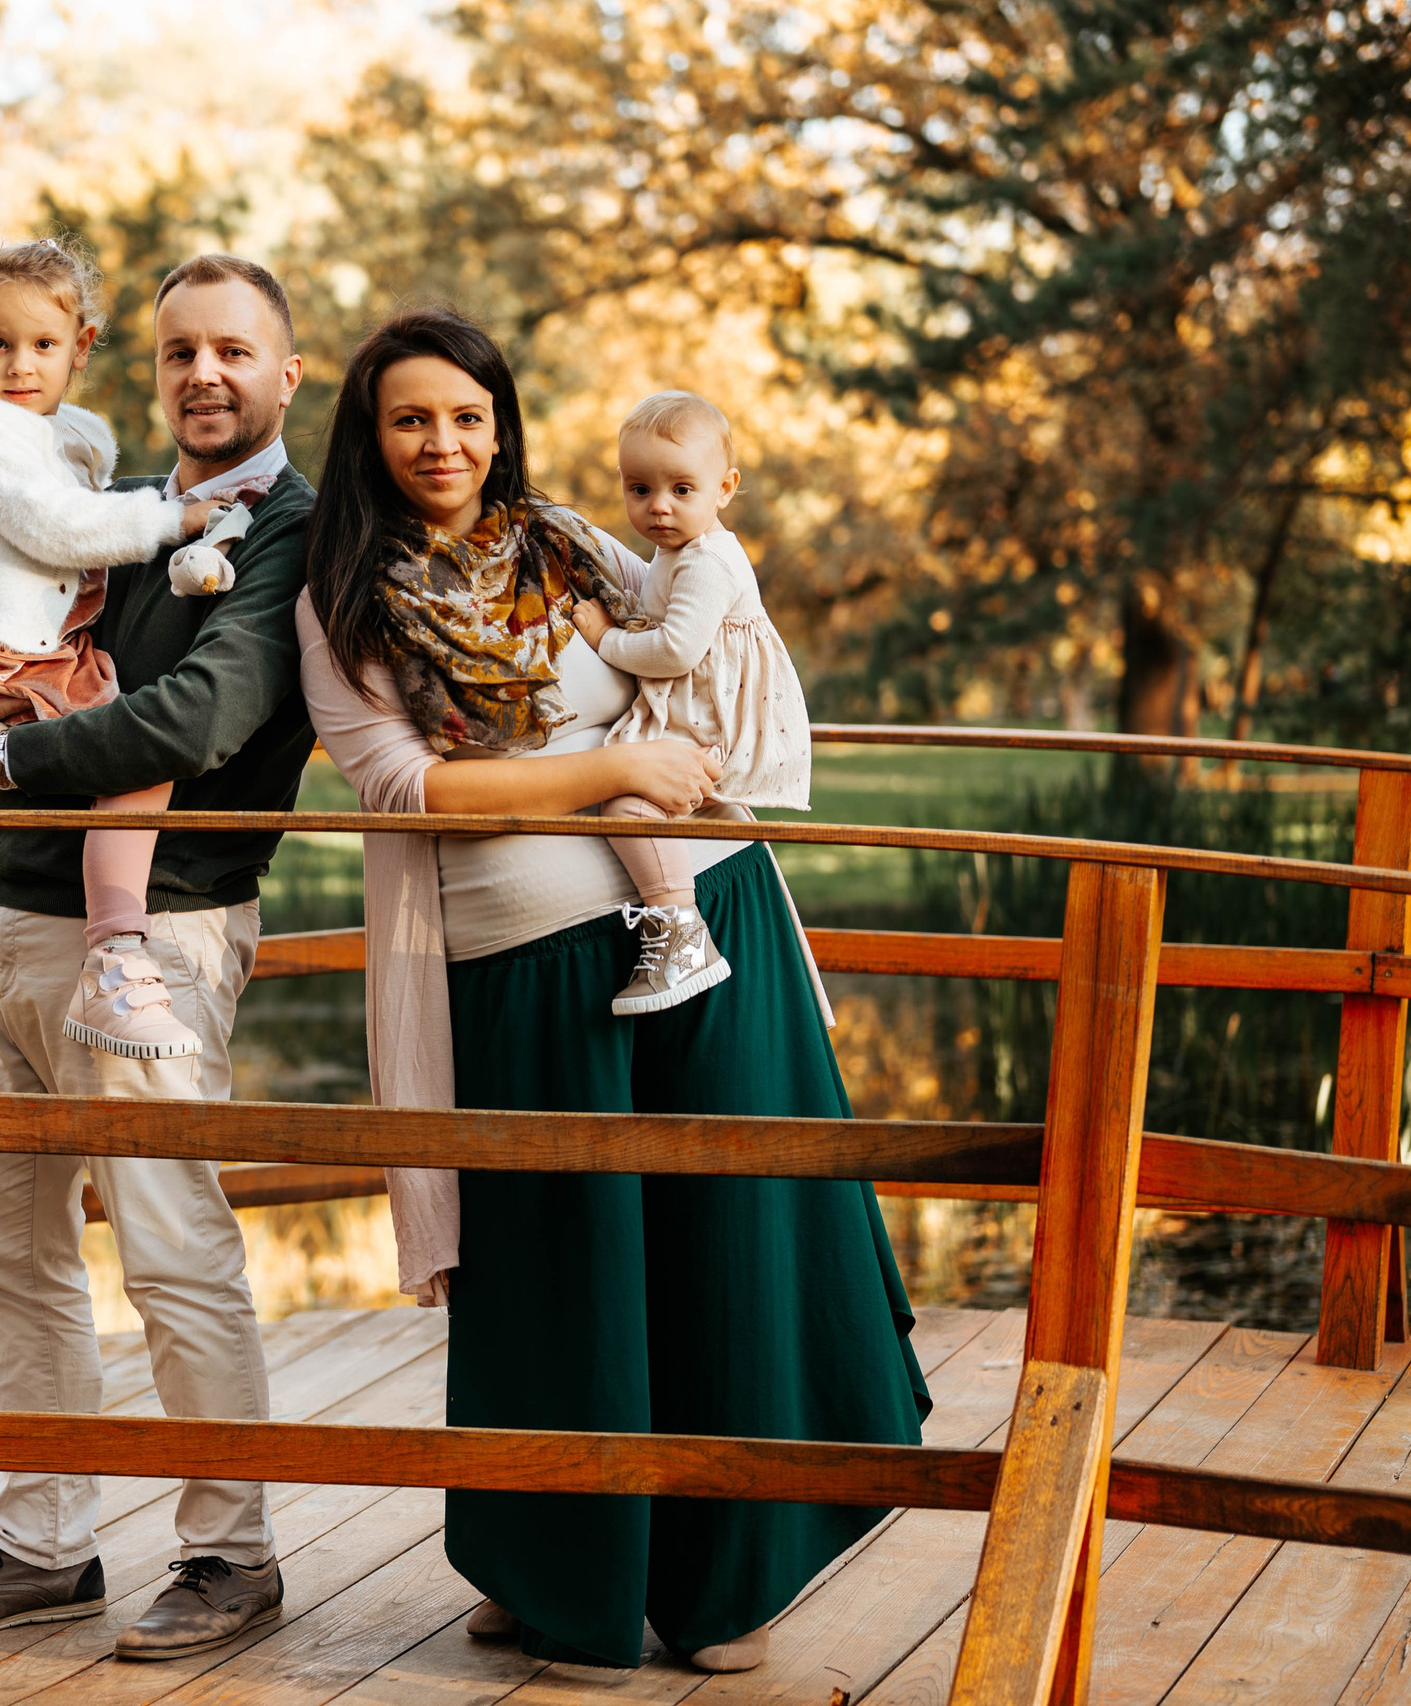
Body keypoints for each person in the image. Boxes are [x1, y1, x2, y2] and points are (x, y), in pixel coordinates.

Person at [296, 307, 932, 1674]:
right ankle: (562, 1562)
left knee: (725, 1246)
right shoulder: (342, 596)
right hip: (521, 964)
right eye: (413, 418)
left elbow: (699, 633)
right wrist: (606, 774)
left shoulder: (573, 539)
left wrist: (669, 760)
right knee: (556, 1270)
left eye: (468, 416)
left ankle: (726, 1579)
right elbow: (405, 786)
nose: (444, 442)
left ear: (500, 424)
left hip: (704, 922)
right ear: (371, 434)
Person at [0, 254, 315, 1662]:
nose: (204, 373)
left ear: (285, 372)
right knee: (1, 1246)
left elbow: (201, 716)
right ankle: (39, 1538)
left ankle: (228, 1550)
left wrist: (4, 749)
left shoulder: (291, 530)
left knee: (171, 1244)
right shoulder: (102, 498)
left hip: (163, 926)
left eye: (233, 351)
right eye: (180, 350)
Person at [0, 237, 259, 1061]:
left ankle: (113, 944)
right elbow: (59, 528)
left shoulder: (66, 438)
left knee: (132, 746)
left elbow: (89, 520)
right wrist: (177, 523)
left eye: (43, 345)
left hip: (29, 651)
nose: (19, 365)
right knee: (133, 758)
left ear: (82, 348)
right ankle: (114, 953)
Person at [568, 389, 813, 1016]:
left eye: (682, 489)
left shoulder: (707, 563)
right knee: (646, 787)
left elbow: (675, 651)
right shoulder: (679, 551)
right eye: (640, 489)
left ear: (725, 488)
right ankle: (716, 833)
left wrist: (604, 638)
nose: (659, 508)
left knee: (625, 804)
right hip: (699, 709)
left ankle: (678, 928)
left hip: (710, 719)